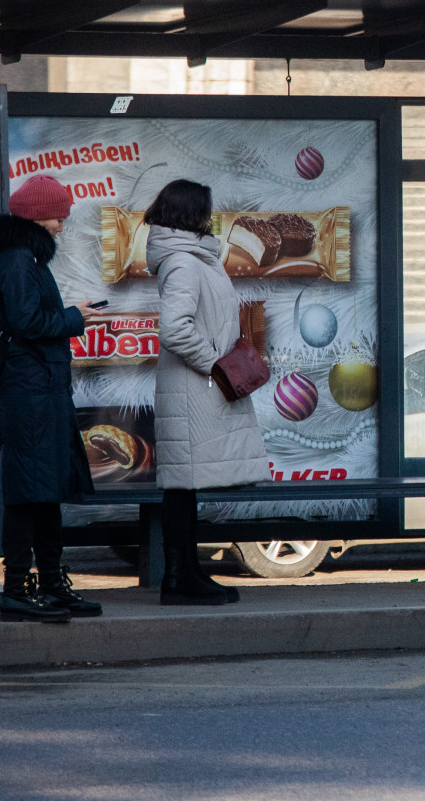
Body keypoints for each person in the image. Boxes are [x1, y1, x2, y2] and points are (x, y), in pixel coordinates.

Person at [0, 174, 105, 623]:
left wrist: (69, 313)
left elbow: (26, 317)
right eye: (59, 215)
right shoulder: (19, 259)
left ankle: (53, 584)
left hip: (37, 388)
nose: (62, 223)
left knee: (44, 491)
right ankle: (17, 588)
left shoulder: (16, 257)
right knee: (28, 493)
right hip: (30, 390)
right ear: (40, 215)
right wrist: (75, 317)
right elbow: (28, 322)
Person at [144, 179, 267, 607]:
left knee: (187, 486)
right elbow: (175, 329)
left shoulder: (195, 259)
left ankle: (188, 572)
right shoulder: (184, 262)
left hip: (196, 387)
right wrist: (214, 362)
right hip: (193, 387)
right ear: (190, 213)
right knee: (182, 486)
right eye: (206, 210)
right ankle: (178, 578)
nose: (210, 217)